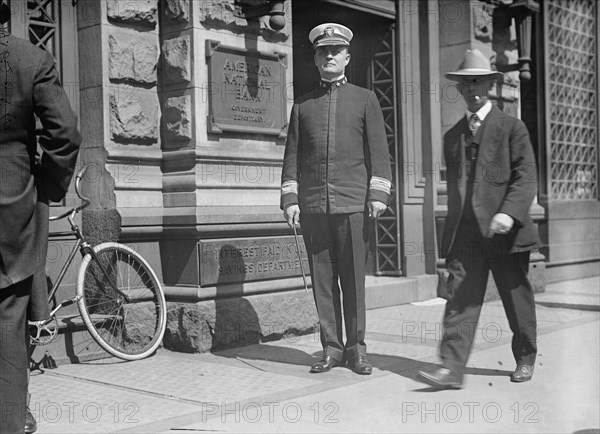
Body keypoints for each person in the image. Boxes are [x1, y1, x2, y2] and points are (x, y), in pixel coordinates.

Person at [417, 49, 540, 389]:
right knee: (460, 299)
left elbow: (526, 177)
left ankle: (526, 357)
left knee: (517, 300)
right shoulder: (452, 136)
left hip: (507, 232)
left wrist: (508, 212)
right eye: (466, 84)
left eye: (479, 82)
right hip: (467, 235)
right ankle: (451, 369)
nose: (473, 89)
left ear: (489, 85)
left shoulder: (511, 127)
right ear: (458, 89)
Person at [281, 23, 392, 375]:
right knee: (323, 281)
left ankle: (356, 349)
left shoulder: (365, 99)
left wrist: (377, 194)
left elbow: (379, 152)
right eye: (322, 51)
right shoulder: (302, 106)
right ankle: (331, 347)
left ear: (347, 56)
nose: (329, 56)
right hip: (314, 207)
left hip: (352, 205)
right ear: (314, 59)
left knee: (354, 281)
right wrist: (291, 199)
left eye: (335, 51)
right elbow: (292, 158)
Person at [1, 0, 81, 430]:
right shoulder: (30, 58)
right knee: (8, 321)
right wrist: (45, 187)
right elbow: (64, 134)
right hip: (12, 201)